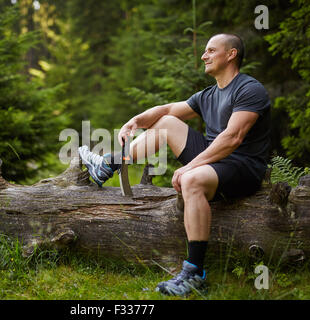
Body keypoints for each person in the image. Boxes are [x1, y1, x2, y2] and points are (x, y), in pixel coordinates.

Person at [78, 33, 271, 297]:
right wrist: (136, 120)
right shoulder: (209, 95)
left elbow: (232, 138)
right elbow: (168, 109)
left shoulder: (249, 89)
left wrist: (190, 166)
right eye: (205, 51)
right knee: (167, 123)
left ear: (231, 54)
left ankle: (194, 274)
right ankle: (108, 165)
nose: (204, 56)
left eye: (211, 50)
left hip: (244, 167)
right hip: (216, 160)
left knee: (191, 180)